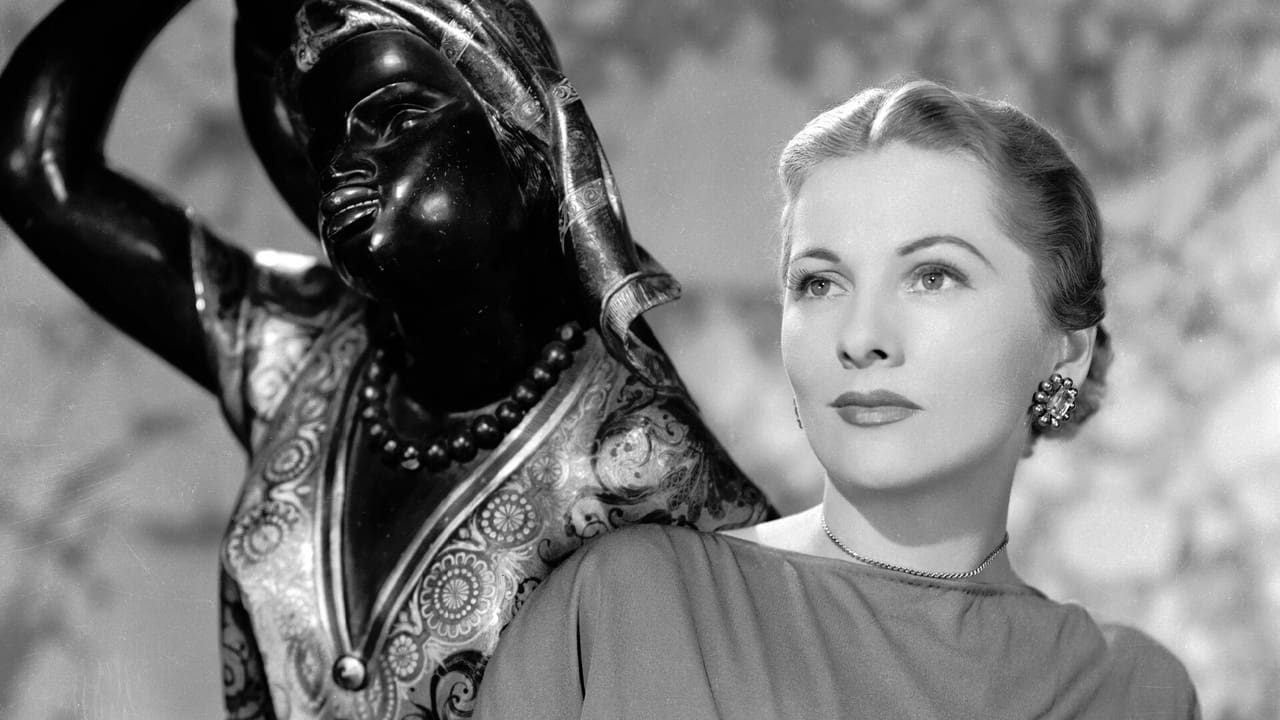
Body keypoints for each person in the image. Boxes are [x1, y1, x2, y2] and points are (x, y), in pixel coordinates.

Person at [0, 0, 772, 717]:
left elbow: (795, 669)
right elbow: (33, 163)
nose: (345, 165)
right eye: (328, 143)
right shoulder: (306, 351)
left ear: (523, 132)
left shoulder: (644, 460)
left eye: (397, 117)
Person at [474, 80, 1201, 719]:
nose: (860, 337)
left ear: (1065, 352)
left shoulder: (1136, 692)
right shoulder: (631, 606)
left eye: (934, 276)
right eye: (820, 284)